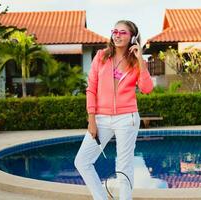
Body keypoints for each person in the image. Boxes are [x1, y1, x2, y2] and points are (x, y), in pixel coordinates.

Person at [74, 20, 153, 200]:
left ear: (132, 37)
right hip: (101, 118)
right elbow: (91, 88)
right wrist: (91, 119)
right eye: (115, 31)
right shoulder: (101, 56)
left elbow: (147, 88)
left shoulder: (135, 62)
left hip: (127, 118)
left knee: (124, 166)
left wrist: (140, 58)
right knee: (82, 161)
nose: (117, 35)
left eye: (122, 32)